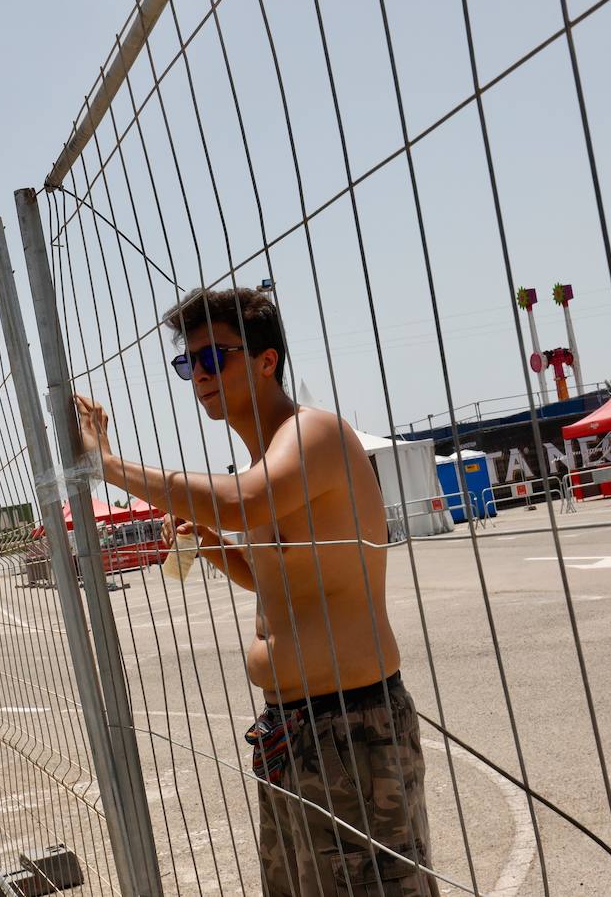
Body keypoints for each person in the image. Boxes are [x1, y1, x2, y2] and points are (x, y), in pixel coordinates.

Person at [73, 287, 437, 895]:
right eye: (189, 364)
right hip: (291, 731)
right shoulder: (268, 457)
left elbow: (243, 502)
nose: (200, 377)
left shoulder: (313, 433)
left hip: (351, 726)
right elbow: (276, 582)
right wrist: (214, 547)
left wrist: (108, 465)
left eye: (215, 358)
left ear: (266, 360)